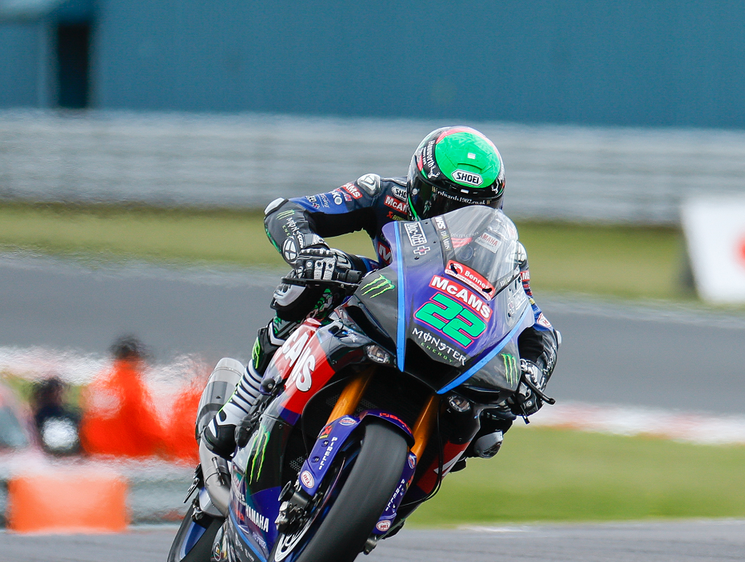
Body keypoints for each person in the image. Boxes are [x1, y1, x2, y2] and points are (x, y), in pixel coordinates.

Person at [202, 125, 561, 458]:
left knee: (492, 428)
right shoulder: (384, 195)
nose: (456, 218)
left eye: (474, 209)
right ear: (417, 188)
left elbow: (534, 322)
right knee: (313, 283)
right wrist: (310, 250)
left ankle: (403, 484)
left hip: (450, 334)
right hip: (382, 301)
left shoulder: (506, 252)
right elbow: (288, 211)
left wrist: (532, 370)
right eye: (446, 205)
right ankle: (242, 402)